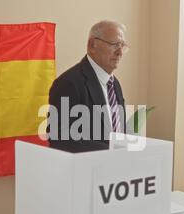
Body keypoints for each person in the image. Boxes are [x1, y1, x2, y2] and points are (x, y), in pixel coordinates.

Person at [47, 20, 129, 153]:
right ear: (92, 45)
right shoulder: (68, 83)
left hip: (118, 169)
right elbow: (60, 138)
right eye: (114, 45)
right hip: (86, 171)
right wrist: (112, 151)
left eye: (122, 46)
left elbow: (119, 130)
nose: (120, 52)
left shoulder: (115, 84)